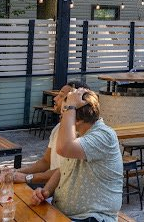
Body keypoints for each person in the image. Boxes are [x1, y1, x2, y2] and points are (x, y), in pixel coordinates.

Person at [31, 89, 123, 222]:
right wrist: (46, 191)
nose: (62, 119)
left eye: (63, 114)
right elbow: (63, 169)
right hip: (65, 213)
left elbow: (63, 148)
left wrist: (70, 106)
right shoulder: (80, 134)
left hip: (93, 217)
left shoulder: (104, 135)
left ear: (78, 120)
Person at [14, 80, 88, 185]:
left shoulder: (81, 136)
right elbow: (46, 162)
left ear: (75, 103)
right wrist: (17, 172)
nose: (55, 98)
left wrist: (27, 177)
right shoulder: (57, 128)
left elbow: (64, 171)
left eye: (61, 96)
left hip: (62, 188)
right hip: (50, 187)